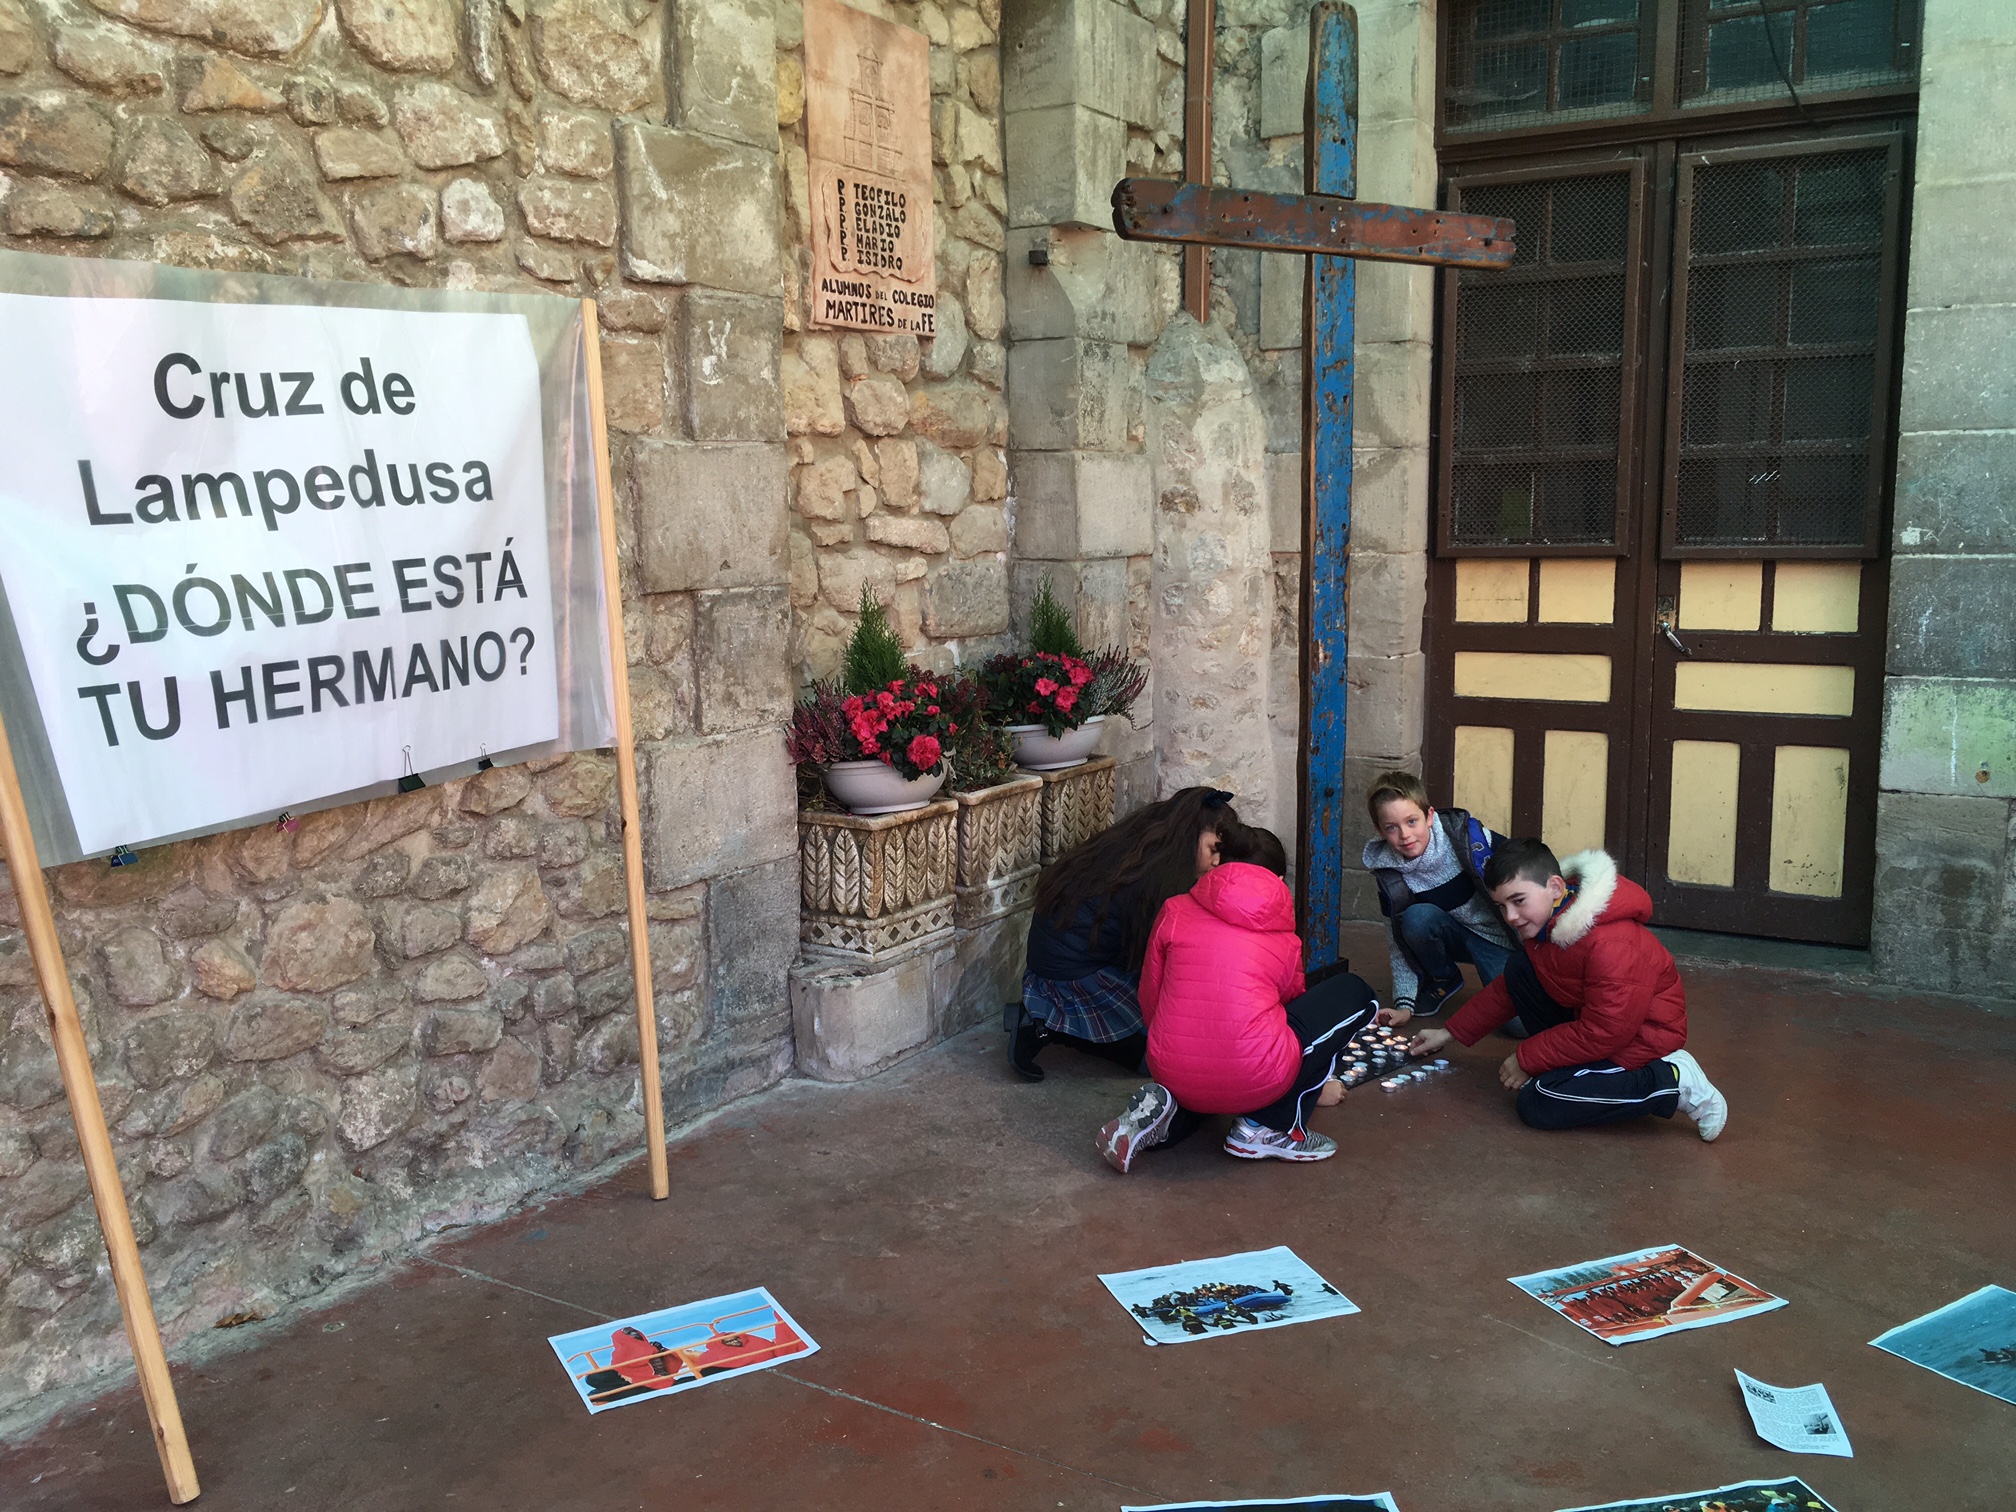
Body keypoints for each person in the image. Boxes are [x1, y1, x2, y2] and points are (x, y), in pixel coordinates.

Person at [1095, 823, 1380, 1170]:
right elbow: (1292, 1010)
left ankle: (1167, 1114)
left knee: (1203, 1086)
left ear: (1220, 864)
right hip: (1252, 1075)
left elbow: (1151, 993)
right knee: (1355, 993)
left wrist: (1170, 1051)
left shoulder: (1174, 909)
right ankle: (1267, 1127)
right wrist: (1315, 1086)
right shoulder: (1283, 934)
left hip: (1170, 1064)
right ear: (1276, 880)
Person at [1407, 838, 1729, 1139]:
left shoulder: (1610, 944)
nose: (1511, 917)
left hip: (1642, 1038)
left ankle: (1674, 1081)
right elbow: (1508, 991)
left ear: (1556, 886)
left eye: (1518, 901)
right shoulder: (1552, 921)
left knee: (1539, 1101)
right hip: (1595, 1023)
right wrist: (1448, 1033)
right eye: (1502, 906)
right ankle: (1576, 1076)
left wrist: (1527, 1057)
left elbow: (1606, 1031)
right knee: (1520, 969)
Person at [1006, 787, 1238, 1080]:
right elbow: (1156, 963)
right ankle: (1041, 1026)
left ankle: (1049, 1021)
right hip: (1075, 977)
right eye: (1213, 850)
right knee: (1157, 1059)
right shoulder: (1156, 877)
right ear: (1189, 837)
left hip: (1058, 962)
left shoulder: (1138, 842)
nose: (1217, 862)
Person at [1360, 769, 1517, 1025]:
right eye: (1392, 827)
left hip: (1500, 937)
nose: (1405, 835)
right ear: (1379, 830)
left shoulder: (1464, 838)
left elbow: (1525, 866)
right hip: (1454, 934)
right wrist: (1404, 1004)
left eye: (1412, 821)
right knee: (1414, 919)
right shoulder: (1389, 873)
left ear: (1429, 816)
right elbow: (1397, 941)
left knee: (1517, 1024)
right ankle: (1443, 977)